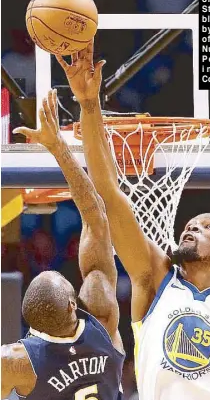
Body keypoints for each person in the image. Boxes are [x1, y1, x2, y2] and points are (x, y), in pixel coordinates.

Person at [57, 44, 210, 400]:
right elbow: (109, 195)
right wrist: (89, 104)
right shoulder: (155, 278)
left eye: (208, 226)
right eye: (191, 224)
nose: (192, 227)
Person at [1, 90, 125, 400]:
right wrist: (58, 148)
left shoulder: (15, 362)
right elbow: (95, 216)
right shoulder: (103, 317)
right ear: (73, 305)